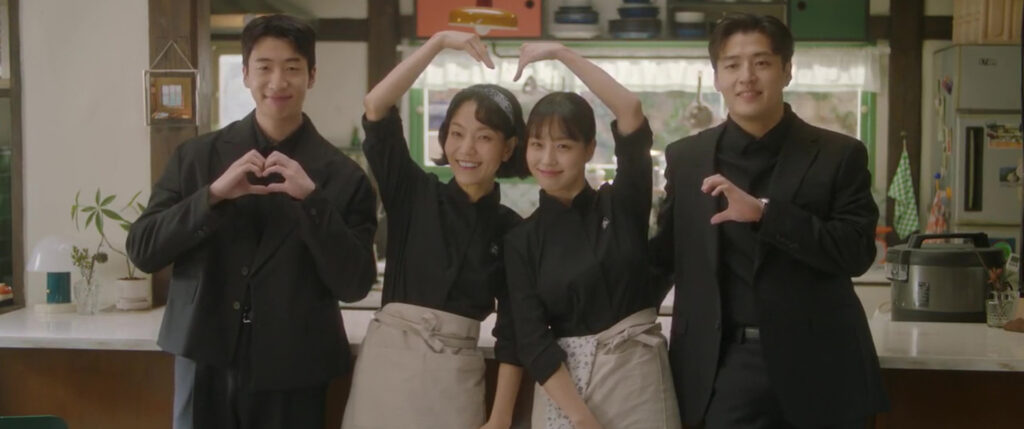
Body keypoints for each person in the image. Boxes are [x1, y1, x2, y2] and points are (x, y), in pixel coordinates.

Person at [126, 15, 378, 429]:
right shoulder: (197, 157)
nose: (278, 81)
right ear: (245, 74)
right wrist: (212, 196)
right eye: (264, 67)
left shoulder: (343, 176)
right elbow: (143, 250)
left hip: (294, 367)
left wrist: (313, 203)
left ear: (312, 76)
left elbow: (354, 284)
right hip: (203, 355)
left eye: (292, 67)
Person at [649, 13, 888, 429]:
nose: (747, 77)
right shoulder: (686, 158)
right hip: (724, 366)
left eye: (761, 62)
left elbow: (856, 252)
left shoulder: (839, 154)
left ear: (787, 70)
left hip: (823, 365)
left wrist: (765, 214)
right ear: (717, 77)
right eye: (732, 65)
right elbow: (665, 257)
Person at [341, 30, 529, 429]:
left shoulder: (512, 230)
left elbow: (514, 332)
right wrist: (438, 42)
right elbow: (376, 105)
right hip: (386, 373)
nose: (467, 149)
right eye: (457, 134)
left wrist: (500, 419)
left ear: (508, 148)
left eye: (484, 137)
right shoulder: (413, 192)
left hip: (455, 381)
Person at [504, 42, 681, 429]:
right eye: (537, 145)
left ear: (588, 149)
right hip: (567, 393)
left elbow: (630, 110)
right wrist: (581, 418)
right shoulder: (522, 240)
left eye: (563, 146)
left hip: (638, 378)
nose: (547, 159)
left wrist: (561, 53)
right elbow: (532, 340)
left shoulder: (622, 203)